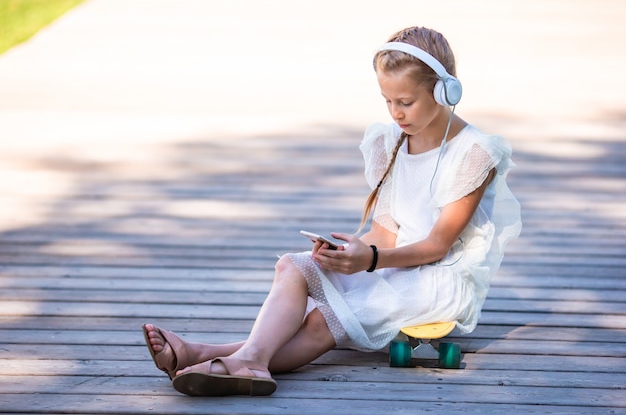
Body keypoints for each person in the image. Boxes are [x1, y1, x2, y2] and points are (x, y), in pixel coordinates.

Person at [142, 25, 522, 397]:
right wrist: (345, 255)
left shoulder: (474, 153)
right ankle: (235, 358)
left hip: (436, 279)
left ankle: (224, 356)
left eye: (405, 102)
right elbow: (386, 232)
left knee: (324, 319)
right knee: (294, 266)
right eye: (387, 101)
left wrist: (370, 259)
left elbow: (438, 246)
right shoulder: (390, 141)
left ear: (445, 91)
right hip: (390, 260)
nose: (395, 113)